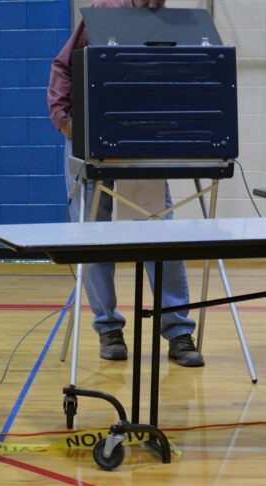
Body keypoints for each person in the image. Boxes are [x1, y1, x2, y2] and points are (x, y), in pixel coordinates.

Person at [47, 0, 203, 367]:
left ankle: (178, 332)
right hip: (89, 136)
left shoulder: (169, 23)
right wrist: (64, 118)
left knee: (158, 232)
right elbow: (62, 66)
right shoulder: (104, 12)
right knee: (94, 235)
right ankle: (108, 327)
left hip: (141, 138)